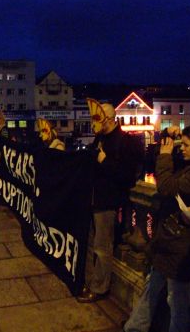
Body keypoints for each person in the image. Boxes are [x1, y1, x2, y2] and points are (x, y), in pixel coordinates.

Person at [124, 124, 190, 332]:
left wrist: (164, 155)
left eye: (186, 145)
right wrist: (165, 137)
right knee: (152, 289)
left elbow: (166, 187)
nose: (181, 148)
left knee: (178, 302)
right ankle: (135, 327)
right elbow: (157, 161)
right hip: (170, 239)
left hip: (183, 245)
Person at [77, 103, 142, 303]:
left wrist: (104, 161)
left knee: (102, 246)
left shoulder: (126, 142)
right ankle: (93, 280)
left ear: (111, 118)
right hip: (94, 199)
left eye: (99, 117)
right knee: (94, 244)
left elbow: (127, 175)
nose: (95, 122)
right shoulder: (100, 139)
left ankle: (99, 287)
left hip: (108, 202)